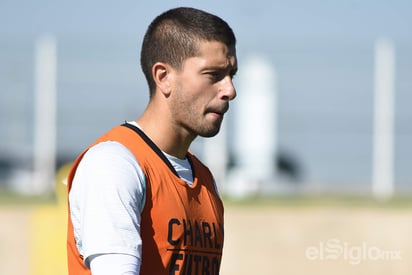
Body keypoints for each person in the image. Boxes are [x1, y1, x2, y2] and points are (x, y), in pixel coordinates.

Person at [66, 7, 238, 275]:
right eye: (213, 75)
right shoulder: (114, 164)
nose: (229, 90)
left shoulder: (205, 180)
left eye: (231, 75)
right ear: (163, 77)